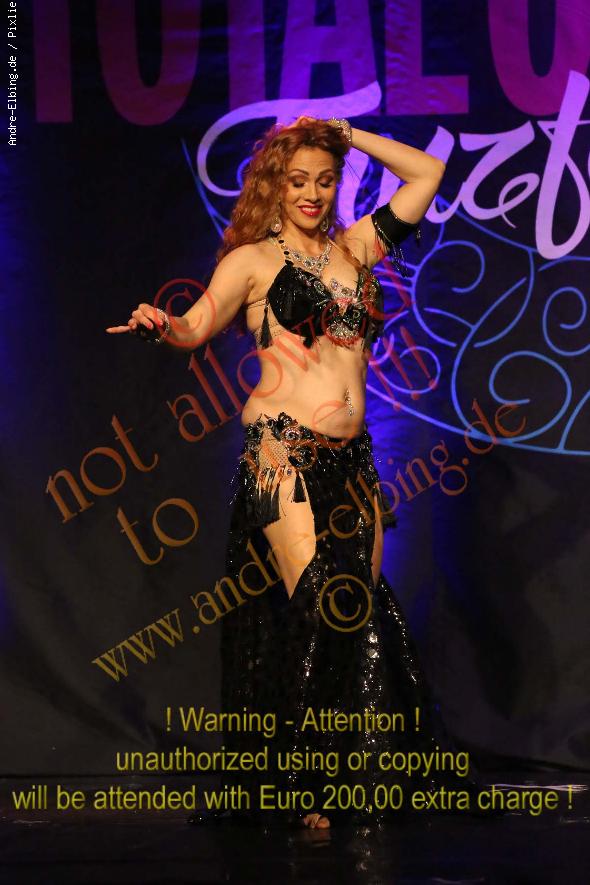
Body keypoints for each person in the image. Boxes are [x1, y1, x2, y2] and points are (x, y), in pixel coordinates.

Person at [106, 117, 474, 830]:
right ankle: (305, 787)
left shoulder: (356, 249)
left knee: (354, 614)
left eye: (324, 181)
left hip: (353, 459)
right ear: (276, 185)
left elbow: (427, 172)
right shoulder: (249, 262)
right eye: (298, 180)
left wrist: (344, 132)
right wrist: (162, 324)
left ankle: (333, 775)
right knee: (321, 602)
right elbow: (194, 326)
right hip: (284, 451)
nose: (312, 193)